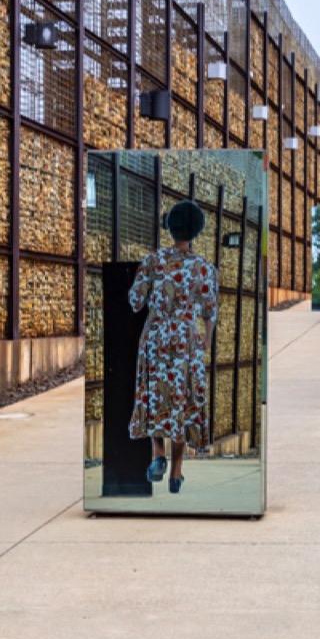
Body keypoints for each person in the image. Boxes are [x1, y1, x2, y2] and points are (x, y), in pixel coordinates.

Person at [129, 200, 219, 495]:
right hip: (186, 340)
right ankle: (177, 474)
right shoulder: (204, 267)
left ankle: (157, 455)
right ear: (195, 231)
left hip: (155, 337)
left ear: (170, 228)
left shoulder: (153, 261)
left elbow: (135, 301)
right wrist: (205, 339)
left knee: (155, 395)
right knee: (182, 401)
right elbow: (210, 310)